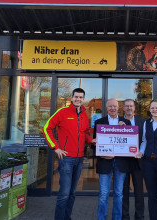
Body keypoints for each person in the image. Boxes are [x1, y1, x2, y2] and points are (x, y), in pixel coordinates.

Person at [43, 88, 94, 220]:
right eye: (76, 97)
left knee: (72, 193)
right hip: (66, 158)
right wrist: (55, 147)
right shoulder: (62, 112)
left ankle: (67, 217)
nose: (78, 99)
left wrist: (91, 140)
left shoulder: (84, 115)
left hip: (79, 158)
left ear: (83, 99)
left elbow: (85, 133)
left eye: (81, 97)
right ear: (72, 98)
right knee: (64, 193)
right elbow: (46, 128)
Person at [93, 99, 131, 220]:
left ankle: (117, 218)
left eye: (115, 106)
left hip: (121, 163)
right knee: (103, 194)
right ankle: (101, 218)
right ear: (106, 108)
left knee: (119, 194)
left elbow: (129, 143)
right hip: (105, 162)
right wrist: (101, 154)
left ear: (118, 107)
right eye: (110, 106)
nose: (112, 108)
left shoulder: (126, 122)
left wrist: (124, 130)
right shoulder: (99, 122)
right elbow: (94, 144)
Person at [121, 99, 145, 220]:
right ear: (123, 108)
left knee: (139, 191)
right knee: (124, 192)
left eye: (131, 106)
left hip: (138, 161)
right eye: (127, 106)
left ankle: (139, 216)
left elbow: (145, 140)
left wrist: (142, 152)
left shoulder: (142, 121)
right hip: (123, 162)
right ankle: (125, 217)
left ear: (134, 108)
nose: (129, 108)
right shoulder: (118, 122)